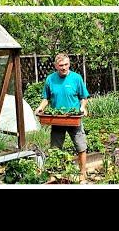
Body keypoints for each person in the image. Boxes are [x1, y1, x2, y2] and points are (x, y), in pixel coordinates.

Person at [34, 53, 89, 182]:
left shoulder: (76, 78)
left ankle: (82, 173)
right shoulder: (50, 79)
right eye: (61, 65)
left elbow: (84, 98)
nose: (64, 68)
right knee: (55, 149)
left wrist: (82, 107)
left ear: (69, 64)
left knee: (81, 146)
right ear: (56, 66)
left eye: (66, 65)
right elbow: (46, 99)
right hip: (57, 119)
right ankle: (55, 174)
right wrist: (40, 107)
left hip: (73, 118)